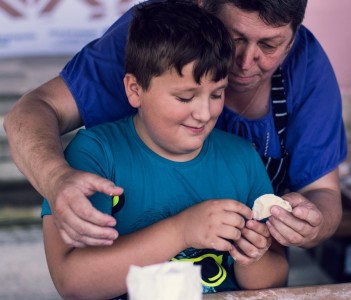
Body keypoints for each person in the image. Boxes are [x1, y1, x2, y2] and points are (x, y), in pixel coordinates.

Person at [4, 0, 347, 249]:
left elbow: (324, 192)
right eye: (235, 37)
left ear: (293, 39)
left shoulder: (306, 65)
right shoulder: (157, 39)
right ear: (203, 8)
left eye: (269, 46)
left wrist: (312, 223)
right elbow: (32, 111)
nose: (243, 63)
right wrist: (55, 178)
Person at [41, 2, 288, 299]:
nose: (204, 113)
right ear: (135, 89)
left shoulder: (243, 159)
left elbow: (276, 277)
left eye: (217, 94)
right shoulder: (95, 155)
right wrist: (182, 231)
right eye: (185, 97)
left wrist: (252, 256)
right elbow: (72, 282)